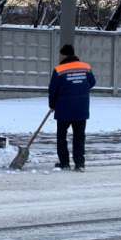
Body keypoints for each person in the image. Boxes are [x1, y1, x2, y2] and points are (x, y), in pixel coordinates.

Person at [48, 44, 96, 172]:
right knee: (79, 136)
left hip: (64, 108)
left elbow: (53, 89)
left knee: (62, 136)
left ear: (63, 55)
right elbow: (92, 82)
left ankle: (64, 163)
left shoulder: (59, 69)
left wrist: (52, 105)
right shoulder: (85, 67)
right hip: (81, 108)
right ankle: (80, 163)